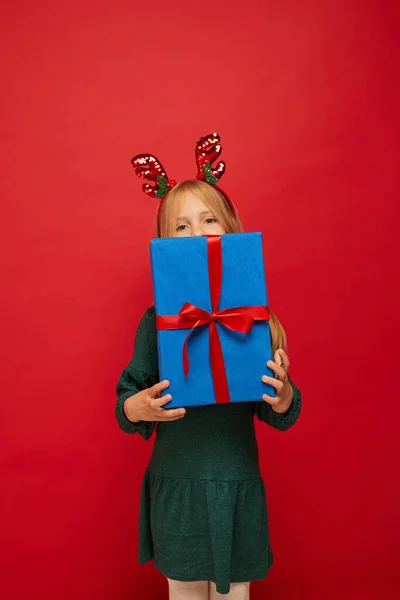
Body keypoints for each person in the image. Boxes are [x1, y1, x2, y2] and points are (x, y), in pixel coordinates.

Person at [115, 134, 302, 600]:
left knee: (234, 594)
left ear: (230, 227)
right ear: (164, 243)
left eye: (208, 219)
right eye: (180, 226)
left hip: (235, 483)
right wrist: (138, 408)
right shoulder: (155, 321)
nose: (196, 233)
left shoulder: (255, 316)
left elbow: (279, 409)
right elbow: (126, 402)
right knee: (184, 593)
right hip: (177, 485)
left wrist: (283, 396)